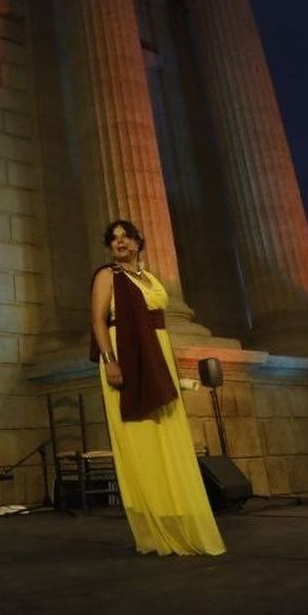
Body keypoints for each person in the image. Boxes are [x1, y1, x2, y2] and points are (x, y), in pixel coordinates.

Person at [90, 219, 224, 556]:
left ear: (138, 242)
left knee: (168, 436)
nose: (120, 243)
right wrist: (110, 360)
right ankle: (155, 526)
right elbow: (97, 321)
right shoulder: (108, 276)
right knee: (142, 441)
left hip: (156, 355)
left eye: (126, 237)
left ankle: (177, 514)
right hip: (125, 355)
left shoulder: (148, 278)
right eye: (114, 239)